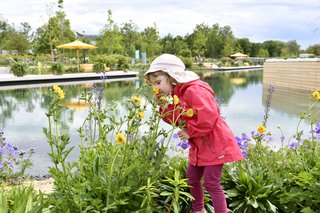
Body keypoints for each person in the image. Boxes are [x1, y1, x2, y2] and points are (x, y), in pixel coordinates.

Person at [144, 54, 243, 213]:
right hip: (200, 145)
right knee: (192, 178)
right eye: (153, 85)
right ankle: (198, 210)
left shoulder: (193, 89)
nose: (157, 88)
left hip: (214, 143)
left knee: (211, 182)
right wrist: (164, 107)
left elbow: (209, 115)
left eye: (158, 82)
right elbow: (176, 120)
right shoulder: (179, 93)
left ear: (172, 76)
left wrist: (189, 131)